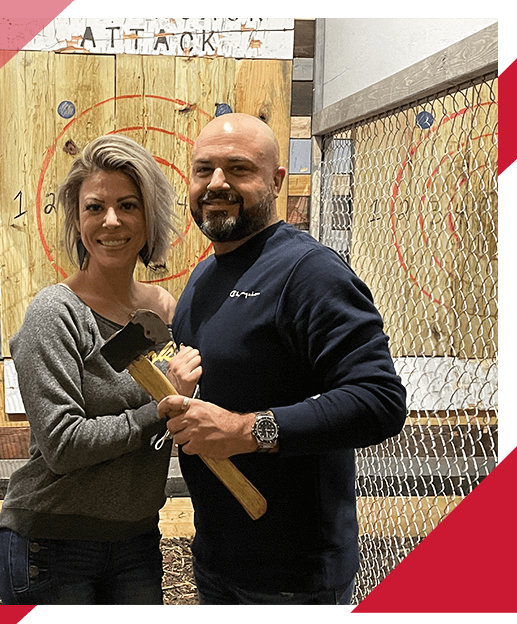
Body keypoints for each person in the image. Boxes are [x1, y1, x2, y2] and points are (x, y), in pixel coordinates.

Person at [158, 113, 407, 605]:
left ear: (276, 181)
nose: (217, 183)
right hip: (218, 557)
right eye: (203, 169)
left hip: (294, 575)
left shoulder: (309, 271)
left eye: (238, 169)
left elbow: (380, 400)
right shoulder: (205, 275)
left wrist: (246, 431)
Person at [0, 135, 202, 605]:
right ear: (77, 219)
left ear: (148, 217)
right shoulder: (56, 313)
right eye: (95, 207)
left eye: (128, 205)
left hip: (137, 538)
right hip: (50, 541)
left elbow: (179, 421)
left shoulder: (164, 311)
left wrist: (184, 400)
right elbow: (63, 445)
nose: (111, 221)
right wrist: (162, 408)